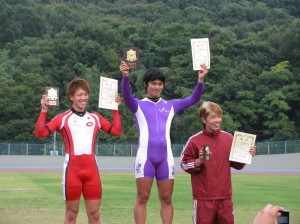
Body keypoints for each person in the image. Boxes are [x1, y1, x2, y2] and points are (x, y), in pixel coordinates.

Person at [119, 61, 208, 224]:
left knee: (167, 199)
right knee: (142, 197)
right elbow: (126, 95)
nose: (157, 87)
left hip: (165, 159)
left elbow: (194, 98)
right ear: (146, 84)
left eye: (160, 84)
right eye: (154, 83)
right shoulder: (138, 105)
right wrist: (125, 76)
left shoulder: (170, 105)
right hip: (145, 158)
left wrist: (200, 80)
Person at [35, 77, 122, 224]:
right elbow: (40, 133)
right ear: (71, 97)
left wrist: (115, 108)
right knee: (71, 215)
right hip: (72, 172)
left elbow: (117, 131)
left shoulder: (95, 118)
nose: (84, 98)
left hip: (92, 172)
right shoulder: (62, 118)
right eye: (80, 95)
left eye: (86, 94)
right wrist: (44, 110)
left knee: (94, 215)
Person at [180, 101, 256, 224]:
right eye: (213, 117)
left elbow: (237, 165)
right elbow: (184, 164)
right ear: (204, 120)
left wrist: (246, 155)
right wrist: (199, 161)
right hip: (203, 199)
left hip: (225, 198)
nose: (218, 120)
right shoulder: (194, 140)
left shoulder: (229, 139)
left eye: (220, 116)